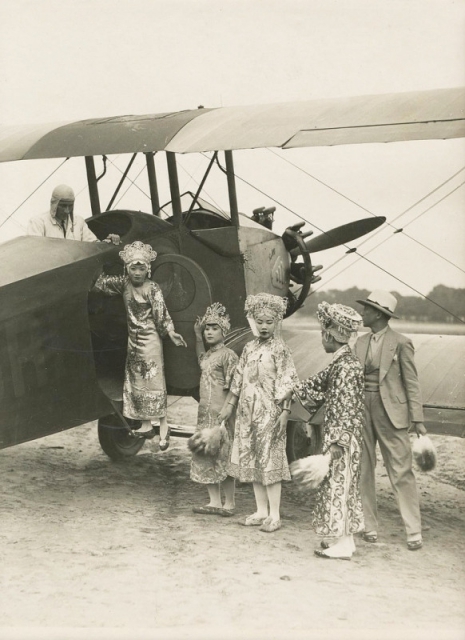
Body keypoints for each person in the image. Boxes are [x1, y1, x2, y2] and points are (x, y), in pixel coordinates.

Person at [93, 240, 187, 450]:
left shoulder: (152, 288)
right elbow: (100, 283)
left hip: (151, 341)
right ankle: (145, 425)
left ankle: (163, 428)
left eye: (141, 268)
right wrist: (102, 249)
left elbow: (161, 315)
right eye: (133, 268)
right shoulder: (123, 284)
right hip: (133, 342)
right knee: (137, 384)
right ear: (127, 269)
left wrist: (171, 333)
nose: (137, 272)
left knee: (153, 384)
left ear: (148, 270)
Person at [218, 293, 299, 533]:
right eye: (260, 321)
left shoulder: (281, 349)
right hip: (246, 413)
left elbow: (288, 381)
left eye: (269, 322)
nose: (264, 326)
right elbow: (238, 379)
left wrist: (285, 412)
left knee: (270, 460)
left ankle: (274, 515)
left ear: (276, 323)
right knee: (252, 459)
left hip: (270, 413)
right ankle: (260, 510)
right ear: (254, 321)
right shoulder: (249, 348)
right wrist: (229, 406)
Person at [355, 290, 426, 551]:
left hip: (392, 413)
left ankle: (414, 532)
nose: (362, 313)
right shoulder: (359, 342)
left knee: (401, 470)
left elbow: (412, 382)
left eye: (366, 309)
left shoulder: (402, 342)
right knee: (363, 468)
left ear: (378, 313)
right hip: (362, 409)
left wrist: (417, 419)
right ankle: (369, 527)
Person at [295, 302, 365, 560]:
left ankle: (345, 544)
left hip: (342, 439)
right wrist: (292, 388)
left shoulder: (345, 366)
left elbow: (346, 407)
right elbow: (317, 383)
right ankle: (343, 539)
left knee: (340, 486)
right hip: (344, 437)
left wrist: (337, 442)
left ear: (329, 334)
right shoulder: (344, 361)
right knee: (341, 485)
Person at [190, 303, 239, 516]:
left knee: (223, 456)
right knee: (205, 453)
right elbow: (201, 359)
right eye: (206, 328)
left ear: (223, 331)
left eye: (214, 328)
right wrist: (196, 335)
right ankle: (214, 502)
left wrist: (228, 409)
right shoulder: (209, 356)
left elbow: (236, 385)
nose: (209, 331)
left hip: (221, 414)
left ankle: (229, 504)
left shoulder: (228, 355)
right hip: (205, 413)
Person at [27, 184, 120, 244]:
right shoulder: (37, 222)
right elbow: (35, 251)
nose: (67, 211)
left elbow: (92, 246)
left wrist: (108, 241)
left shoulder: (79, 221)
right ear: (54, 204)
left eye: (70, 206)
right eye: (63, 206)